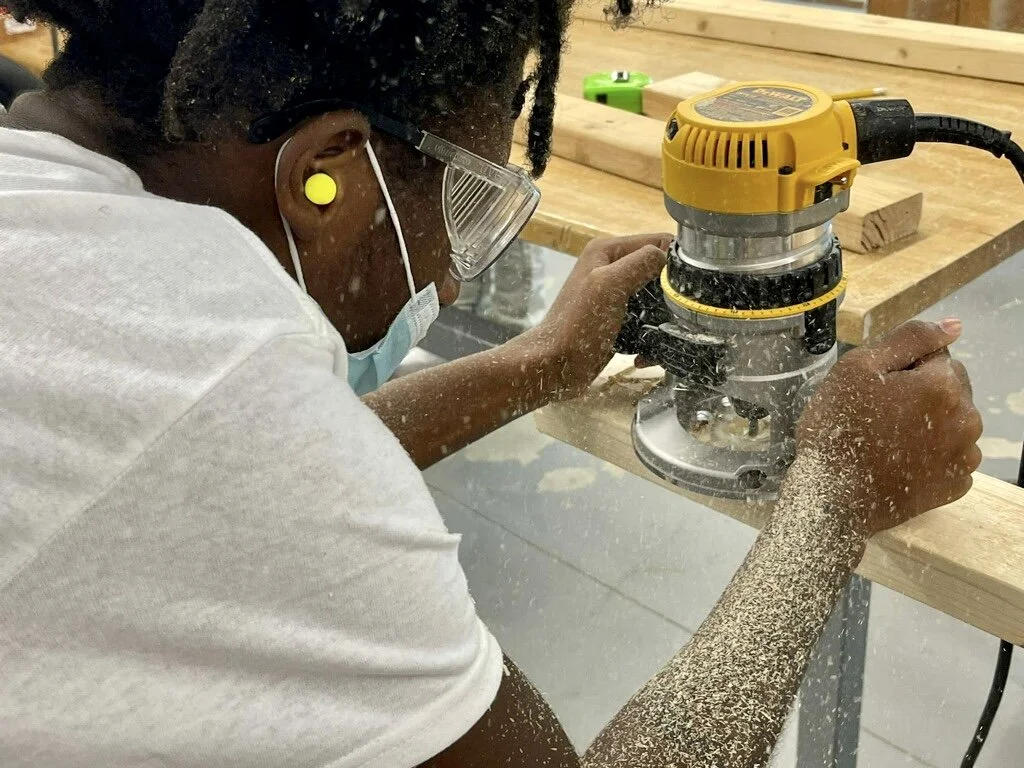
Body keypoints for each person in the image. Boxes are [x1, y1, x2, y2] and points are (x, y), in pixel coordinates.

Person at [0, 2, 982, 767]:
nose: (456, 283)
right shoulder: (217, 394)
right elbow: (243, 453)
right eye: (468, 202)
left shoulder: (57, 223)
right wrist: (831, 503)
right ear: (325, 175)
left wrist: (537, 365)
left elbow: (206, 487)